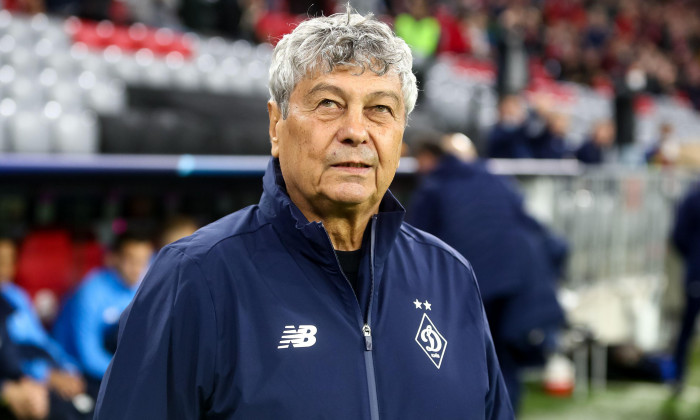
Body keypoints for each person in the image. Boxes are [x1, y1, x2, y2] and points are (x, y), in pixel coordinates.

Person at [94, 9, 513, 419]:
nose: (355, 131)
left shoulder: (451, 277)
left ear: (402, 131)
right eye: (329, 103)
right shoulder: (196, 277)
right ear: (276, 126)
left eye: (380, 109)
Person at [407, 140, 566, 412]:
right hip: (520, 280)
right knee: (503, 360)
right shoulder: (495, 179)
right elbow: (536, 228)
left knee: (473, 359)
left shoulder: (434, 189)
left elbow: (409, 243)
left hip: (476, 283)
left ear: (430, 158)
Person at [52, 232, 153, 398]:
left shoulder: (145, 287)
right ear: (113, 258)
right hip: (77, 370)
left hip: (120, 370)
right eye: (131, 260)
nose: (138, 268)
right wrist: (130, 376)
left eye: (143, 261)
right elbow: (88, 355)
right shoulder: (90, 292)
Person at [0, 238, 87, 406]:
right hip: (21, 378)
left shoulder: (16, 296)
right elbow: (10, 356)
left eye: (9, 261)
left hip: (42, 370)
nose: (4, 268)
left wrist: (68, 368)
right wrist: (45, 375)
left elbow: (41, 340)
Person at [671, 182, 700, 394]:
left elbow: (678, 236)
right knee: (686, 325)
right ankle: (677, 376)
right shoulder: (692, 198)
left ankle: (677, 377)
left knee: (686, 327)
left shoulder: (692, 196)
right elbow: (678, 236)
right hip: (696, 271)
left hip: (695, 270)